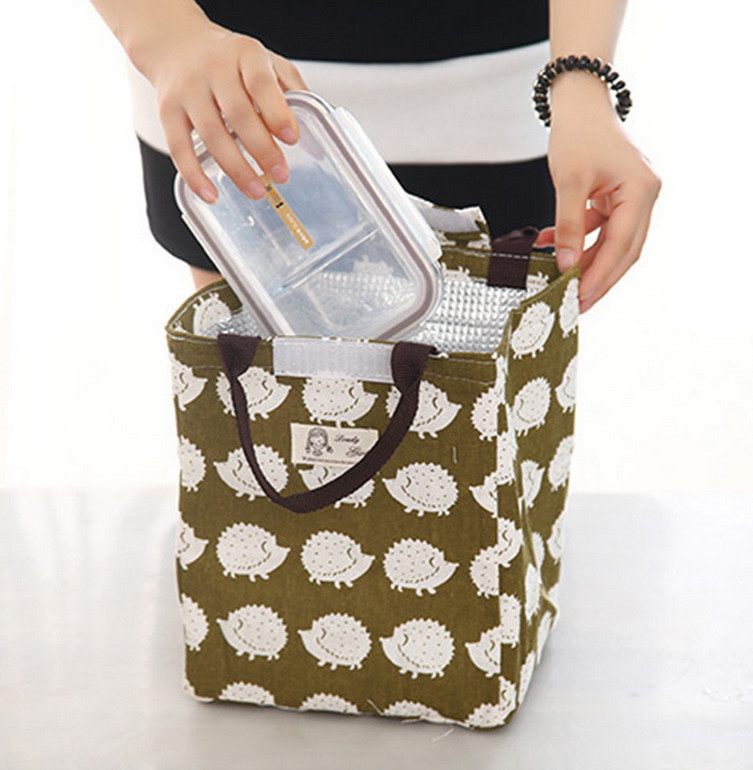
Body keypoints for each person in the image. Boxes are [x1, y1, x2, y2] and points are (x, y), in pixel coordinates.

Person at [89, 0, 660, 313]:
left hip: (499, 84)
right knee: (267, 422)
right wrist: (165, 35)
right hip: (231, 79)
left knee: (480, 430)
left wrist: (582, 82)